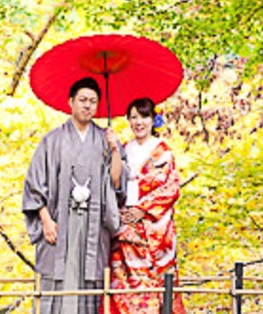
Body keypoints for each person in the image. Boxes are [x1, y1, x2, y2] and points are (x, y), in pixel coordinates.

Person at [23, 77, 125, 313]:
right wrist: (46, 221)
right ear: (70, 102)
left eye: (93, 101)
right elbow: (34, 184)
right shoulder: (52, 140)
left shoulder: (106, 139)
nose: (87, 105)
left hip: (93, 224)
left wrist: (114, 150)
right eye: (82, 100)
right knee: (55, 278)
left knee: (90, 282)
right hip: (59, 222)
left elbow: (117, 182)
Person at [108, 98, 186, 314]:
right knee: (121, 278)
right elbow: (112, 183)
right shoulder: (123, 149)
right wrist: (113, 149)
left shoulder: (164, 152)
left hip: (153, 226)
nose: (138, 122)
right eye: (133, 117)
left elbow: (171, 188)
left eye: (144, 116)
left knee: (156, 282)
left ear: (153, 120)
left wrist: (142, 209)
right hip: (124, 223)